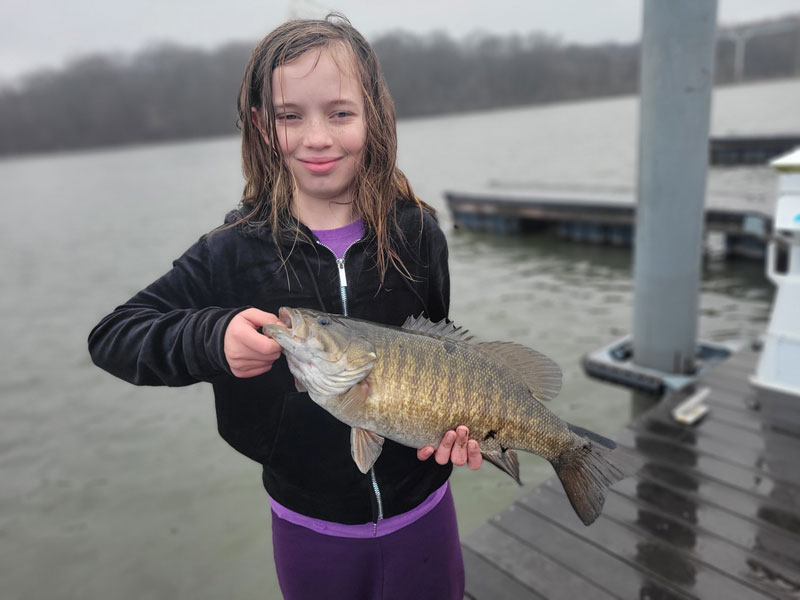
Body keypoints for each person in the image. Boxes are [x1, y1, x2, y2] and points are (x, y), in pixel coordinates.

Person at [88, 14, 483, 600]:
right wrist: (211, 337)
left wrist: (459, 425)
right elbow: (113, 336)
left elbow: (442, 344)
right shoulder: (229, 253)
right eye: (290, 116)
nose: (317, 137)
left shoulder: (419, 232)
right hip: (308, 522)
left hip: (424, 507)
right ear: (261, 126)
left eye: (340, 113)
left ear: (374, 113)